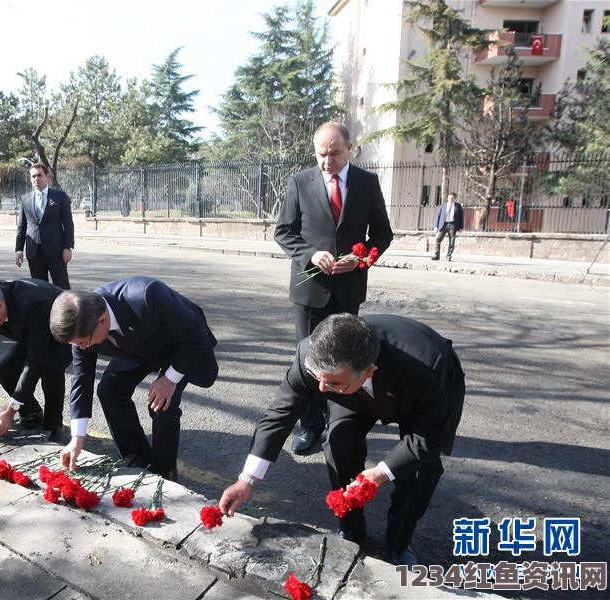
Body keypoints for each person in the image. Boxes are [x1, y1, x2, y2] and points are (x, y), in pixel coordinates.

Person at [218, 313, 465, 567]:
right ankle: (351, 528)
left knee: (418, 469)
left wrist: (381, 472)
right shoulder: (312, 357)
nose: (322, 390)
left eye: (331, 382)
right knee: (338, 440)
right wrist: (246, 480)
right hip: (351, 392)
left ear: (368, 371)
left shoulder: (428, 363)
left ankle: (399, 542)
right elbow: (281, 413)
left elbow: (429, 436)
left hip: (417, 391)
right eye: (318, 379)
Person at [275, 122, 393, 456]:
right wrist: (311, 255)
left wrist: (361, 260)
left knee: (345, 360)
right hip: (310, 291)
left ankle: (340, 424)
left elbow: (383, 234)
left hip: (348, 290)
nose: (327, 162)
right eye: (321, 154)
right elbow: (284, 232)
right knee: (311, 362)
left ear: (350, 149)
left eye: (334, 154)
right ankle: (311, 426)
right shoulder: (300, 182)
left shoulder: (367, 184)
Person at [49, 276, 218, 481]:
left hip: (179, 344)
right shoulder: (83, 327)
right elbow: (81, 379)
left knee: (162, 402)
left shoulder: (148, 295)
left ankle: (164, 474)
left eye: (84, 342)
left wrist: (169, 379)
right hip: (134, 346)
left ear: (102, 321)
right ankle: (138, 458)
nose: (82, 347)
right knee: (109, 390)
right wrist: (77, 438)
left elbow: (195, 336)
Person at [0, 280, 71, 442]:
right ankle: (31, 412)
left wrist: (10, 410)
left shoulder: (34, 304)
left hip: (60, 330)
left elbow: (35, 362)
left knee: (50, 370)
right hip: (30, 333)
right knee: (6, 370)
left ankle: (54, 425)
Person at [15, 164, 74, 290]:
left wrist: (67, 247)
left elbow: (68, 224)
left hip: (56, 251)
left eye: (39, 175)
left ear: (47, 176)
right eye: (33, 176)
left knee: (61, 286)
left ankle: (67, 310)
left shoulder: (60, 197)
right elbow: (22, 227)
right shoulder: (25, 199)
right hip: (34, 252)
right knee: (39, 289)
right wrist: (19, 250)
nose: (36, 179)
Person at [432, 192, 463, 262]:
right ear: (447, 198)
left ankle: (448, 256)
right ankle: (436, 255)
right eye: (449, 198)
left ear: (455, 199)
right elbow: (438, 216)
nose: (450, 199)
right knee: (437, 239)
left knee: (452, 241)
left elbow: (461, 217)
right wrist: (436, 226)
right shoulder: (443, 205)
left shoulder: (458, 206)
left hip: (452, 225)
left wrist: (461, 227)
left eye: (452, 198)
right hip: (443, 224)